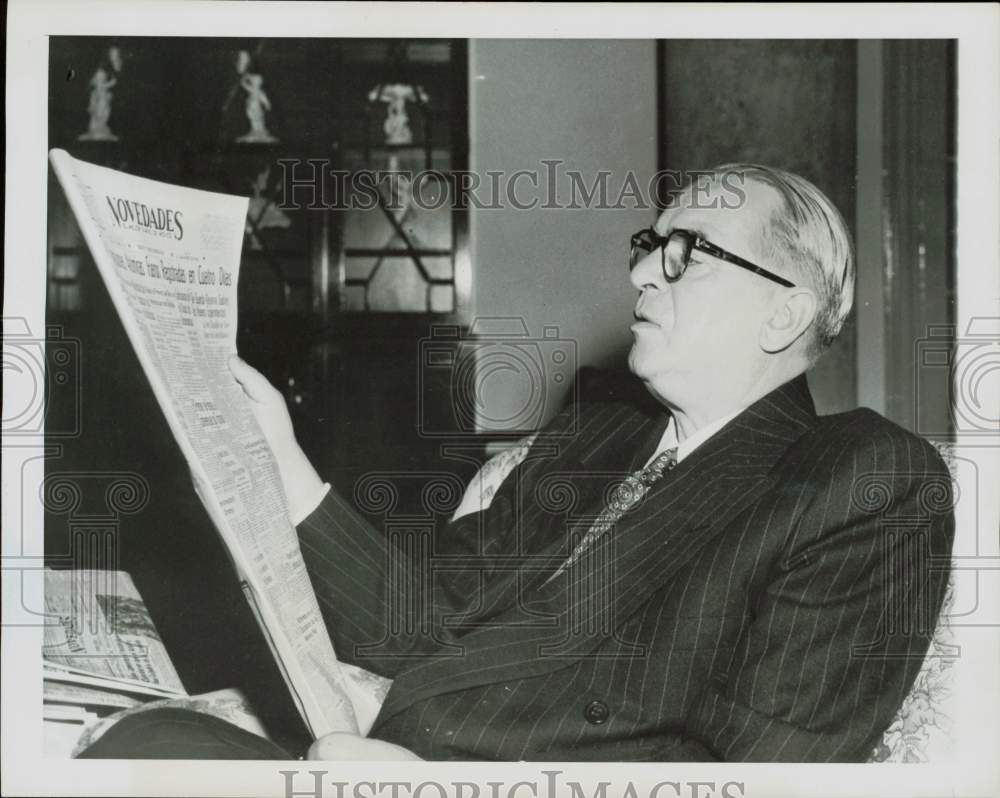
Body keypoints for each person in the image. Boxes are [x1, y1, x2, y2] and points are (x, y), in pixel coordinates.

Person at [80, 164, 954, 761]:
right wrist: (280, 457)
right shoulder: (596, 437)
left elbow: (759, 770)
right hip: (380, 747)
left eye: (685, 253)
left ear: (784, 314)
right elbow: (416, 626)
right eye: (648, 246)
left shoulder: (862, 478)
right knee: (134, 746)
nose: (645, 275)